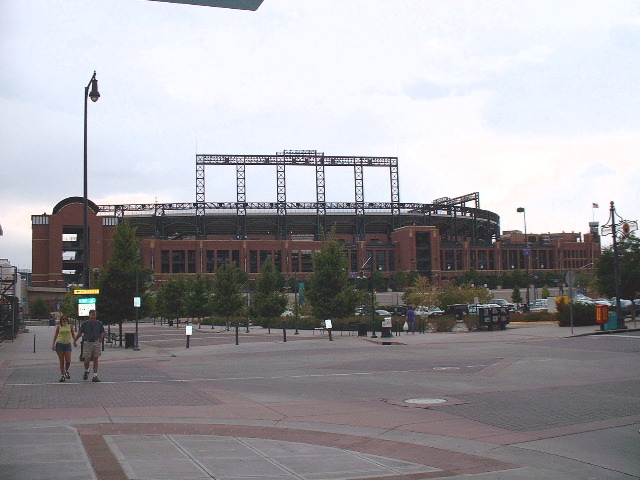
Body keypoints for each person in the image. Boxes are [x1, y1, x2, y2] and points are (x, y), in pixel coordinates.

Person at [74, 309, 105, 382]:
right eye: (92, 315)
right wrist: (75, 340)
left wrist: (100, 340)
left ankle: (95, 375)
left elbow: (102, 332)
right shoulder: (85, 324)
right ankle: (87, 370)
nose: (93, 316)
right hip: (87, 342)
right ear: (89, 315)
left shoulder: (99, 323)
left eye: (94, 315)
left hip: (96, 342)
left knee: (95, 359)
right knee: (86, 360)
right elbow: (80, 333)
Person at [51, 315, 77, 382]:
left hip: (67, 344)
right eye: (63, 319)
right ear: (61, 320)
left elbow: (73, 334)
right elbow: (56, 336)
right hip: (60, 344)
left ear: (67, 320)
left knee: (68, 361)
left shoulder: (70, 326)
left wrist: (75, 341)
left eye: (65, 319)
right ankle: (62, 375)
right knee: (62, 361)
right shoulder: (59, 327)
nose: (64, 320)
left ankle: (66, 370)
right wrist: (53, 345)